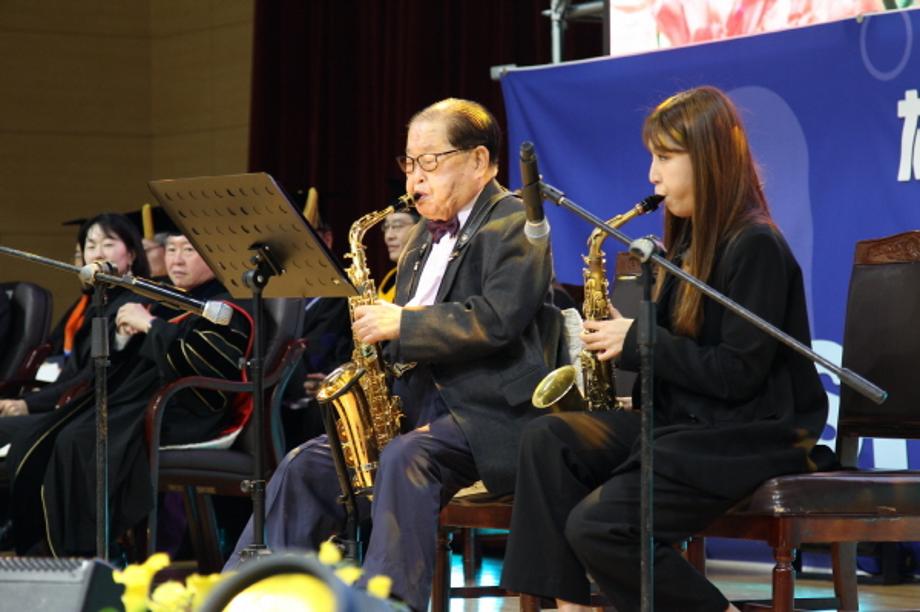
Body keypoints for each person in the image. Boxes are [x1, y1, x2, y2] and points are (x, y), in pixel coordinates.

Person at [500, 86, 831, 612]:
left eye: (664, 157)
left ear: (709, 159)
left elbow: (737, 374)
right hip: (690, 423)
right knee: (548, 439)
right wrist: (630, 340)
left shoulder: (756, 245)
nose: (652, 175)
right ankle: (570, 607)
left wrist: (637, 341)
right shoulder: (688, 243)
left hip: (747, 434)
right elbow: (687, 353)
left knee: (600, 525)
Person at [225, 98, 555, 611]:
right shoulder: (422, 236)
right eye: (409, 162)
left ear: (478, 160)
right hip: (415, 408)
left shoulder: (516, 221)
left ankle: (385, 605)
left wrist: (402, 323)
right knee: (305, 464)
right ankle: (244, 597)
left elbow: (499, 318)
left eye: (430, 161)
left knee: (405, 457)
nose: (414, 177)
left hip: (488, 414)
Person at [0, 230, 252, 557]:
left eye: (189, 250)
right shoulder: (164, 299)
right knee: (39, 436)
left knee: (78, 439)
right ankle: (44, 547)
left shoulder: (226, 306)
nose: (176, 259)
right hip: (138, 402)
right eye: (171, 249)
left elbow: (206, 367)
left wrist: (150, 326)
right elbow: (120, 366)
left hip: (183, 412)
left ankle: (89, 552)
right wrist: (123, 337)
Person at [0, 213, 152, 417]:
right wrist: (28, 401)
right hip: (68, 404)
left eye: (108, 244)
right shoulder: (98, 303)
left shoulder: (133, 305)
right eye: (90, 246)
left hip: (104, 411)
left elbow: (95, 375)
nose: (98, 254)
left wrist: (28, 405)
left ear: (132, 255)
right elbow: (73, 373)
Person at [377, 205, 421, 302]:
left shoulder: (425, 275)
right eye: (386, 227)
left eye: (397, 226)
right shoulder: (390, 276)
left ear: (420, 229)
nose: (388, 236)